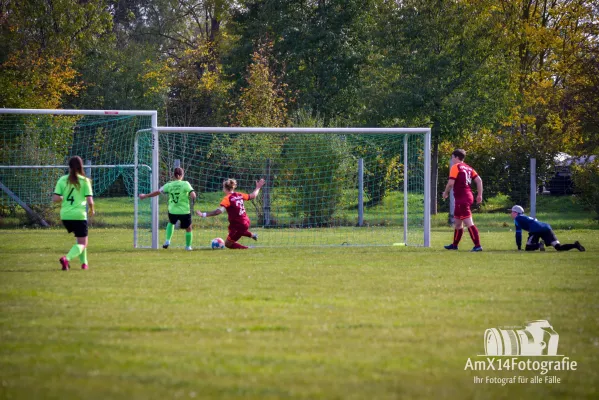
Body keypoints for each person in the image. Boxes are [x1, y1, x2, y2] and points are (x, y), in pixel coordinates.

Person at [197, 178, 265, 249]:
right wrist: (258, 187)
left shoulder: (227, 198)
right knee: (231, 229)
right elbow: (253, 195)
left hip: (239, 225)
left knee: (228, 244)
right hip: (245, 221)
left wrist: (203, 214)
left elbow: (218, 212)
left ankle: (247, 248)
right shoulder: (239, 194)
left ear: (225, 188)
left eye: (223, 187)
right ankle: (252, 235)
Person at [53, 156, 95, 270]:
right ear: (81, 166)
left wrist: (63, 197)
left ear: (69, 167)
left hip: (65, 215)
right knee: (83, 243)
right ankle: (67, 258)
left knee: (81, 240)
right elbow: (90, 200)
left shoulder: (62, 179)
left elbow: (56, 198)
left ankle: (84, 263)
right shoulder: (85, 181)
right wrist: (92, 209)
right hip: (79, 215)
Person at [139, 167, 196, 250]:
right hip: (184, 211)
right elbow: (193, 194)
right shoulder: (185, 184)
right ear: (181, 175)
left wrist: (145, 196)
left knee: (171, 223)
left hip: (172, 211)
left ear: (174, 175)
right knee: (188, 228)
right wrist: (192, 198)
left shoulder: (169, 184)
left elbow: (157, 192)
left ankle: (167, 240)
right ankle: (188, 246)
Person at [442, 149, 483, 251]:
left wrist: (445, 192)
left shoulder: (455, 167)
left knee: (469, 222)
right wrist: (479, 195)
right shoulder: (468, 167)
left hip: (462, 198)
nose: (452, 160)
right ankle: (454, 245)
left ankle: (477, 246)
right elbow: (479, 180)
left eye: (452, 157)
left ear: (456, 157)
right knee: (458, 222)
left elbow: (451, 183)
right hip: (466, 196)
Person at [510, 205, 585, 252]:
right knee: (558, 247)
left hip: (536, 230)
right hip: (546, 227)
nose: (511, 213)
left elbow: (518, 234)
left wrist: (519, 247)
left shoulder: (517, 219)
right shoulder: (525, 217)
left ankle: (540, 245)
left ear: (516, 213)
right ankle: (575, 245)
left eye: (512, 212)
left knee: (528, 248)